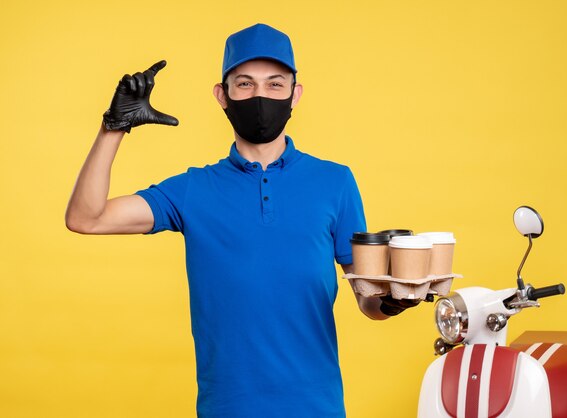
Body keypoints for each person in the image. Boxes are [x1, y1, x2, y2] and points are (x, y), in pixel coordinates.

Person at [66, 23, 418, 418]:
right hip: (226, 408)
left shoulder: (335, 182)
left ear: (294, 94)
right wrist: (113, 127)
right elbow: (86, 217)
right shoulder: (193, 189)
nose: (261, 96)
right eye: (245, 84)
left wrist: (390, 301)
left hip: (316, 406)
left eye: (275, 84)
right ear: (223, 95)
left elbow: (366, 299)